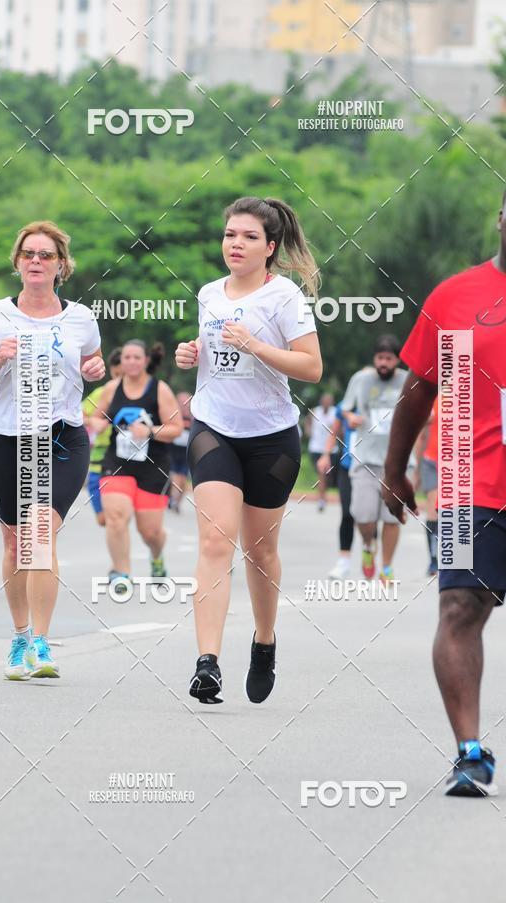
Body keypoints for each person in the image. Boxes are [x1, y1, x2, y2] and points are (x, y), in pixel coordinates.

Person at [383, 170, 506, 797]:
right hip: (467, 488)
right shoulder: (455, 296)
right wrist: (395, 470)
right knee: (459, 607)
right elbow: (420, 388)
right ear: (500, 217)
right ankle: (470, 753)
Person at [175, 195, 322, 705]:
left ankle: (264, 641)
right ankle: (207, 663)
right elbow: (211, 360)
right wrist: (190, 353)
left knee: (260, 552)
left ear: (270, 247)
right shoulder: (209, 293)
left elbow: (311, 368)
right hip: (214, 426)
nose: (235, 244)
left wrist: (256, 346)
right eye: (230, 235)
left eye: (248, 237)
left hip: (272, 438)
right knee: (216, 543)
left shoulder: (285, 298)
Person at [0, 220, 104, 680]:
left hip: (63, 437)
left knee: (39, 534)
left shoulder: (81, 318)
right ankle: (20, 636)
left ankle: (42, 646)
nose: (37, 262)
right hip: (10, 437)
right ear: (18, 263)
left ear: (61, 265)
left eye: (46, 255)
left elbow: (92, 365)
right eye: (29, 254)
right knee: (13, 540)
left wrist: (95, 367)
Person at [91, 339, 182, 585]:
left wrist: (150, 431)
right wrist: (96, 425)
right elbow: (98, 417)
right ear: (121, 361)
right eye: (126, 357)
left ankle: (156, 556)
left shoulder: (159, 389)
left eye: (136, 357)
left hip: (153, 466)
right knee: (116, 516)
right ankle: (121, 572)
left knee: (150, 532)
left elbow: (176, 428)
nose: (131, 362)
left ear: (146, 361)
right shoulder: (112, 388)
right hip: (118, 463)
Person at [342, 336, 410, 584]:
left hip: (398, 463)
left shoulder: (406, 380)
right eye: (380, 358)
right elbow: (346, 408)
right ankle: (369, 546)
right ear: (374, 359)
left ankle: (387, 567)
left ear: (397, 360)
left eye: (388, 358)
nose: (383, 363)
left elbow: (423, 410)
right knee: (364, 516)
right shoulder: (361, 380)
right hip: (365, 460)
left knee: (391, 518)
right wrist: (350, 417)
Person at [82, 347, 123, 526]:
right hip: (99, 459)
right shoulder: (101, 393)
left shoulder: (145, 393)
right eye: (117, 374)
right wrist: (92, 421)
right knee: (103, 519)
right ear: (112, 372)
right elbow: (79, 414)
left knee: (118, 516)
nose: (122, 380)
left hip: (127, 461)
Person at [316, 398, 355, 578]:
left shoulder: (383, 402)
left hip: (374, 466)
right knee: (347, 513)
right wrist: (325, 455)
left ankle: (370, 548)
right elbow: (335, 431)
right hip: (348, 465)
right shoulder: (345, 406)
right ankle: (343, 561)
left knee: (368, 515)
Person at [413, 397, 439, 576]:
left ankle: (458, 559)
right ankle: (434, 560)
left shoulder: (469, 396)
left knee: (459, 511)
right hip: (432, 462)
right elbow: (420, 435)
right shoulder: (433, 399)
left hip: (460, 462)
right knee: (433, 510)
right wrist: (417, 469)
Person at [305, 393, 336, 511]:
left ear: (332, 402)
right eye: (325, 400)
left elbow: (340, 429)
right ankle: (322, 499)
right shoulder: (314, 411)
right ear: (321, 401)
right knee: (321, 474)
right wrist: (309, 431)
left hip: (331, 450)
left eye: (329, 401)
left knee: (326, 476)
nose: (327, 403)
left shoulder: (335, 412)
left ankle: (322, 497)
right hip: (316, 448)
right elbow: (307, 421)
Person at [168, 391, 193, 513]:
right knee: (174, 476)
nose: (184, 405)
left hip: (186, 452)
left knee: (182, 479)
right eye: (181, 402)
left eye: (186, 402)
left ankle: (177, 502)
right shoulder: (173, 414)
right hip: (173, 449)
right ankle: (172, 499)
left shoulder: (194, 416)